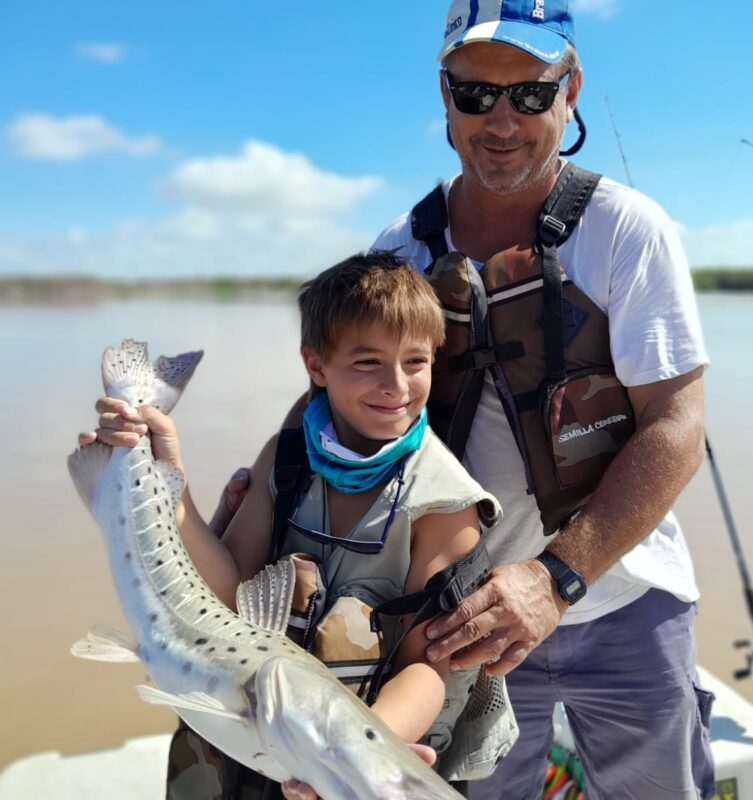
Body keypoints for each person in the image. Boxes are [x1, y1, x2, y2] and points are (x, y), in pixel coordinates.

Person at [366, 2, 716, 798]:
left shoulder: (628, 231)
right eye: (475, 94)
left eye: (529, 94)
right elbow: (351, 425)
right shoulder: (399, 250)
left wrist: (555, 579)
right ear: (443, 94)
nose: (501, 121)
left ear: (571, 90)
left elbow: (676, 427)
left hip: (627, 601)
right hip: (463, 622)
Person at [79, 252, 515, 800]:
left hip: (335, 754)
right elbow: (229, 590)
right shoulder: (286, 458)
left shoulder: (447, 506)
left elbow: (430, 668)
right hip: (248, 731)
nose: (396, 385)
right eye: (366, 363)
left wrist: (361, 754)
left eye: (415, 362)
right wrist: (173, 481)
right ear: (316, 366)